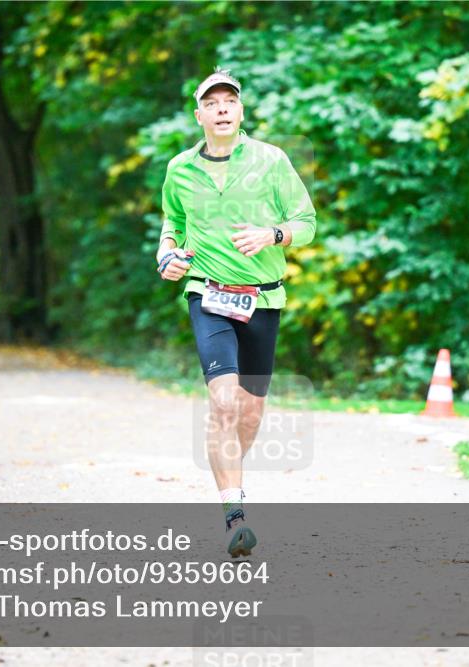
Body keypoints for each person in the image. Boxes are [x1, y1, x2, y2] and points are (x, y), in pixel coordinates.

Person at [156, 68, 317, 557]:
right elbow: (173, 224)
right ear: (200, 114)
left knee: (250, 413)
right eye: (213, 102)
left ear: (241, 111)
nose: (222, 108)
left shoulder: (272, 160)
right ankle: (234, 513)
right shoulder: (180, 169)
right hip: (208, 294)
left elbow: (306, 223)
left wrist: (272, 235)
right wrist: (167, 255)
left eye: (231, 101)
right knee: (223, 404)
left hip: (263, 296)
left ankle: (228, 471)